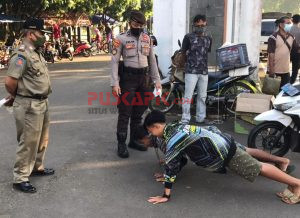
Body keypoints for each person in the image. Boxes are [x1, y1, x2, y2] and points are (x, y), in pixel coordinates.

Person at [139, 110, 300, 205]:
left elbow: (173, 165)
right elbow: (177, 158)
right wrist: (167, 166)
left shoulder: (173, 138)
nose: (151, 135)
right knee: (249, 152)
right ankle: (284, 167)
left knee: (258, 168)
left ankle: (296, 184)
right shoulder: (174, 125)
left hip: (221, 150)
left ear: (156, 126)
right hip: (220, 139)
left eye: (150, 131)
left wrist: (166, 195)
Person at [4, 18, 54, 193]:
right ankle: (20, 177)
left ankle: (36, 167)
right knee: (28, 141)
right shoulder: (22, 54)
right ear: (31, 34)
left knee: (42, 139)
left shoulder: (36, 51)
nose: (44, 37)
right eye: (41, 33)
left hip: (42, 101)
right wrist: (17, 95)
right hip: (28, 104)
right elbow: (10, 81)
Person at [111, 10, 161, 158]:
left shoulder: (147, 39)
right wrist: (115, 83)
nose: (137, 26)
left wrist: (157, 80)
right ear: (129, 22)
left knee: (139, 112)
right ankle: (121, 144)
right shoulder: (120, 39)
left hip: (144, 80)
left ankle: (133, 140)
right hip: (128, 79)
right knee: (125, 112)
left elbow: (152, 61)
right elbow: (114, 62)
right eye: (134, 23)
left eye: (140, 24)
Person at [181, 14, 212, 124]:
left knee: (202, 96)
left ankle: (200, 117)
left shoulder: (209, 38)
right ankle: (185, 118)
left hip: (204, 72)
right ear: (194, 25)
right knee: (187, 96)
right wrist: (187, 65)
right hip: (191, 72)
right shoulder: (188, 37)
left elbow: (206, 53)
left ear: (205, 24)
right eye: (198, 25)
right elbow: (183, 53)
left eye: (202, 25)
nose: (200, 27)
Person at [267, 16, 299, 88]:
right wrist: (271, 72)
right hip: (275, 72)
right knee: (273, 94)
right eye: (288, 23)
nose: (290, 25)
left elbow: (297, 49)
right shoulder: (273, 37)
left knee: (284, 95)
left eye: (290, 23)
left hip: (286, 72)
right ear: (281, 25)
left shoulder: (292, 37)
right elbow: (271, 55)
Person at [290, 14, 300, 84]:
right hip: (298, 51)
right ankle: (292, 82)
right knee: (295, 68)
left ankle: (290, 81)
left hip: (289, 51)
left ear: (292, 20)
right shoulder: (299, 30)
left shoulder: (288, 29)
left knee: (293, 69)